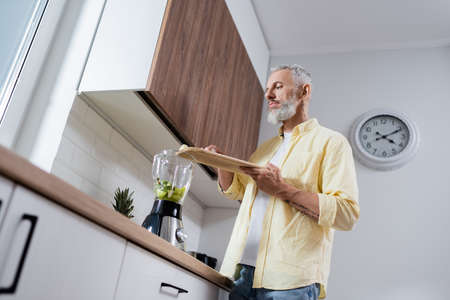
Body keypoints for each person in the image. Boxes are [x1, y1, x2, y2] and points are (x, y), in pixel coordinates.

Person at [205, 64, 360, 300]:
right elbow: (238, 193)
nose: (268, 95)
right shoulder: (265, 150)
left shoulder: (332, 143)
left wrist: (282, 190)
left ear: (304, 91)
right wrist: (221, 165)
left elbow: (346, 213)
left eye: (278, 86)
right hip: (243, 274)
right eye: (267, 88)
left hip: (291, 282)